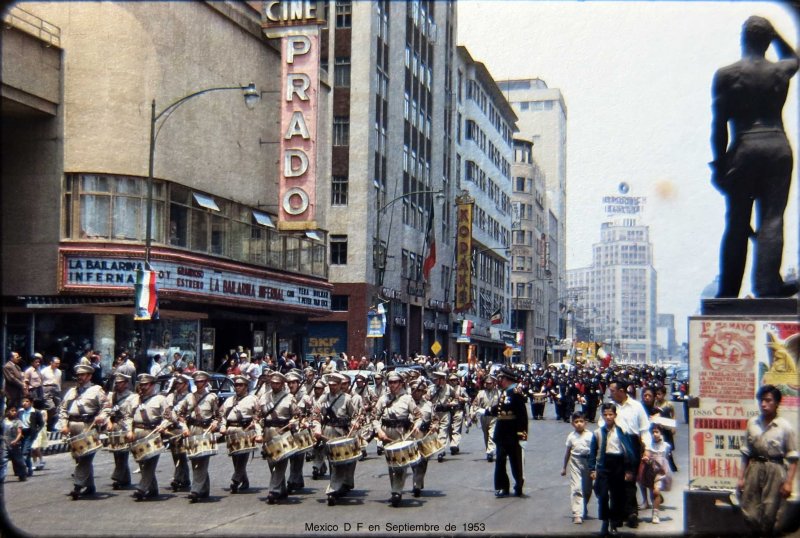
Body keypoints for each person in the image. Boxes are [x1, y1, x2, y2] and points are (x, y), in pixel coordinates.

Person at [710, 15, 799, 298]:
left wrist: (720, 163)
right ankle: (767, 285)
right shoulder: (779, 71)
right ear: (767, 40)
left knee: (737, 221)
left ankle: (728, 291)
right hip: (777, 145)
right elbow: (795, 56)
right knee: (772, 218)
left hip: (745, 147)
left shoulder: (727, 75)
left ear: (743, 39)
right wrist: (776, 36)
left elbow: (719, 124)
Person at [738, 384, 798, 535]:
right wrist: (740, 478)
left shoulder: (784, 427)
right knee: (749, 511)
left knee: (770, 512)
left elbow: (793, 458)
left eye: (768, 400)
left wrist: (789, 483)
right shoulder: (752, 423)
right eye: (761, 400)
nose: (763, 404)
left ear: (777, 403)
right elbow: (745, 452)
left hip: (775, 470)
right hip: (754, 468)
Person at [373, 371, 422, 507]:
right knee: (391, 463)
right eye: (390, 382)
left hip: (402, 434)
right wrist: (379, 431)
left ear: (401, 384)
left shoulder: (407, 399)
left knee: (401, 463)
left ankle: (396, 492)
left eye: (395, 382)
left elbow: (418, 416)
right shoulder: (383, 399)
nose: (393, 385)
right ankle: (395, 489)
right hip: (386, 434)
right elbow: (373, 418)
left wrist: (417, 426)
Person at [608, 378, 652, 528]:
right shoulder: (610, 407)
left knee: (629, 480)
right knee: (615, 482)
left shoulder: (636, 407)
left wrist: (647, 450)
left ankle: (632, 513)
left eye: (612, 391)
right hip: (614, 447)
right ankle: (619, 514)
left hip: (632, 447)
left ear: (622, 391)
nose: (610, 394)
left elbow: (645, 430)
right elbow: (602, 427)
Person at [58, 364, 108, 499]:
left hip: (89, 426)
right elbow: (62, 410)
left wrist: (101, 417)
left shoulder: (97, 390)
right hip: (73, 426)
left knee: (86, 457)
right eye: (78, 375)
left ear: (89, 376)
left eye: (82, 375)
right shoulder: (71, 392)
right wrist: (63, 425)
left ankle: (77, 486)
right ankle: (90, 486)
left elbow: (106, 407)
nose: (79, 377)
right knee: (79, 457)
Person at [311, 372, 359, 505]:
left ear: (339, 385)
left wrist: (356, 423)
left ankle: (334, 488)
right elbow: (315, 415)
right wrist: (317, 428)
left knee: (341, 461)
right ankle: (337, 485)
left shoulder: (347, 398)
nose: (332, 387)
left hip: (342, 433)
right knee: (332, 461)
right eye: (330, 385)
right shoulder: (323, 398)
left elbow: (354, 415)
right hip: (326, 432)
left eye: (335, 385)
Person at [589, 403, 637, 537]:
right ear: (602, 416)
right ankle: (604, 521)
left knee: (616, 496)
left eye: (611, 414)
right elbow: (593, 452)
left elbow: (628, 451)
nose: (608, 417)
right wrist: (592, 469)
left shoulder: (621, 431)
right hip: (604, 465)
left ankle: (613, 523)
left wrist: (628, 470)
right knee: (603, 495)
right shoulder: (598, 433)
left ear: (615, 415)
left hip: (618, 464)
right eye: (605, 415)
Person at [174, 370, 220, 503]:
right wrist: (184, 427)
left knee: (203, 461)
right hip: (192, 429)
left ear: (206, 383)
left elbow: (218, 415)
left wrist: (215, 423)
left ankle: (195, 489)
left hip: (205, 429)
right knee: (195, 460)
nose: (199, 383)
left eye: (201, 381)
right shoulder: (189, 397)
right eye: (197, 381)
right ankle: (204, 489)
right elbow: (180, 414)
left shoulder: (212, 397)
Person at [256, 371, 298, 504]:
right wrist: (258, 432)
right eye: (272, 383)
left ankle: (273, 490)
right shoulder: (264, 397)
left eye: (277, 383)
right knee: (272, 462)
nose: (274, 385)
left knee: (281, 461)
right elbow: (257, 417)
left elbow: (297, 415)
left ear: (282, 384)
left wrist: (293, 422)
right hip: (268, 432)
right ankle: (282, 488)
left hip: (283, 432)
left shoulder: (289, 398)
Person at [126, 373, 169, 501]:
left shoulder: (160, 399)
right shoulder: (134, 399)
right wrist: (129, 431)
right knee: (142, 463)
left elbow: (168, 417)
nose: (143, 387)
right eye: (141, 384)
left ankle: (142, 488)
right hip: (137, 432)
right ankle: (153, 489)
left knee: (150, 462)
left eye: (146, 385)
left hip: (153, 433)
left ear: (152, 385)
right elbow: (128, 416)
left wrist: (163, 425)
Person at [220, 374, 260, 495]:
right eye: (236, 385)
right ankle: (245, 480)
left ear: (246, 386)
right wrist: (222, 426)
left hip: (245, 429)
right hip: (231, 430)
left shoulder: (253, 399)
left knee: (242, 457)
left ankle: (235, 480)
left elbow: (258, 416)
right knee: (235, 457)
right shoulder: (229, 400)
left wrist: (256, 428)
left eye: (240, 385)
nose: (237, 387)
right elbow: (222, 416)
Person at [492, 367, 528, 498]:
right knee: (500, 460)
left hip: (513, 434)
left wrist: (522, 436)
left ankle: (518, 484)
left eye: (501, 378)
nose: (499, 381)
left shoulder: (515, 393)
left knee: (515, 461)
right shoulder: (505, 392)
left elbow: (522, 416)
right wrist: (487, 411)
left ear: (506, 379)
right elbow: (500, 409)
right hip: (501, 433)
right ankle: (502, 486)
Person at [101, 373, 136, 490]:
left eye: (120, 383)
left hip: (125, 425)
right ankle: (125, 478)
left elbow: (131, 414)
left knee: (123, 452)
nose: (118, 385)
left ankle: (118, 477)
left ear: (126, 384)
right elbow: (107, 410)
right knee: (116, 453)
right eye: (116, 383)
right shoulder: (113, 396)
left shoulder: (132, 397)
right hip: (115, 425)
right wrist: (108, 422)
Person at [562, 411, 593, 524]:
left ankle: (583, 506)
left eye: (581, 421)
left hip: (588, 462)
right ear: (572, 424)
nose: (579, 424)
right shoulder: (571, 437)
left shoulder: (590, 435)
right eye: (576, 422)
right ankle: (577, 513)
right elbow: (567, 453)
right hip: (575, 461)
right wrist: (564, 467)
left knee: (587, 488)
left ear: (585, 423)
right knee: (576, 487)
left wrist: (595, 467)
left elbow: (595, 451)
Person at [163, 373, 192, 492]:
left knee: (181, 454)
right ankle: (185, 479)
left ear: (186, 385)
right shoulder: (172, 396)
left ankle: (178, 478)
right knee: (176, 454)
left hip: (184, 428)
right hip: (172, 428)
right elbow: (167, 411)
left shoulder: (190, 396)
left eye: (180, 384)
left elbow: (190, 413)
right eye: (176, 384)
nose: (178, 386)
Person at [639, 424, 672, 524]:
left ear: (661, 433)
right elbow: (647, 455)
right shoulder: (649, 445)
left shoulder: (666, 446)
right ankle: (653, 502)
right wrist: (646, 459)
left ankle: (655, 514)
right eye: (653, 432)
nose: (655, 434)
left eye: (657, 432)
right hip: (650, 470)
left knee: (656, 491)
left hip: (661, 471)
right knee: (652, 492)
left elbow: (667, 456)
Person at [472, 374, 500, 462]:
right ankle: (488, 450)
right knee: (486, 435)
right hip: (484, 417)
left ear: (494, 383)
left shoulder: (498, 393)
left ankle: (490, 452)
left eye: (490, 383)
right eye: (487, 383)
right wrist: (473, 414)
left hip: (494, 417)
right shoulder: (481, 393)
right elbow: (475, 405)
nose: (488, 385)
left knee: (492, 434)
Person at [428, 371, 454, 463]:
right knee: (435, 433)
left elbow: (456, 398)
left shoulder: (449, 388)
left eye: (438, 379)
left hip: (445, 413)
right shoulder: (431, 389)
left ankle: (441, 451)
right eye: (435, 379)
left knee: (443, 432)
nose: (436, 381)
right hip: (434, 413)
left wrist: (451, 403)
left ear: (443, 380)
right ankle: (439, 448)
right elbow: (426, 398)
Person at [18, 396, 43, 477]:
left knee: (24, 452)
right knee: (27, 453)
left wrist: (35, 431)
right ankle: (29, 469)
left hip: (30, 433)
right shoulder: (20, 412)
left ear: (31, 403)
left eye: (27, 401)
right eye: (23, 401)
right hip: (22, 433)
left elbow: (41, 424)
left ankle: (22, 471)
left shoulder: (36, 412)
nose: (24, 403)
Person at [2, 407, 27, 482]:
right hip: (4, 443)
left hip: (14, 444)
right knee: (3, 461)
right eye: (12, 411)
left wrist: (16, 440)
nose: (14, 412)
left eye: (15, 411)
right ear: (7, 412)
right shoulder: (3, 421)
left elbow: (19, 433)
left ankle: (22, 475)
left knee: (19, 461)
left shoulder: (17, 421)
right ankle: (1, 476)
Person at [447, 374, 468, 456]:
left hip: (458, 410)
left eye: (454, 380)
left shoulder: (461, 389)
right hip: (449, 411)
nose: (453, 381)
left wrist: (461, 398)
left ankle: (454, 445)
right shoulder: (447, 389)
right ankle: (455, 444)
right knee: (450, 430)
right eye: (451, 380)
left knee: (456, 428)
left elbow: (467, 398)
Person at [40, 356, 63, 430]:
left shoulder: (59, 372)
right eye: (56, 363)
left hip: (56, 389)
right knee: (51, 407)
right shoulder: (44, 371)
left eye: (58, 364)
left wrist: (59, 390)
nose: (57, 365)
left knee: (58, 408)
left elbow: (59, 381)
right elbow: (41, 381)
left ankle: (53, 425)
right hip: (47, 388)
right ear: (51, 363)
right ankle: (47, 423)